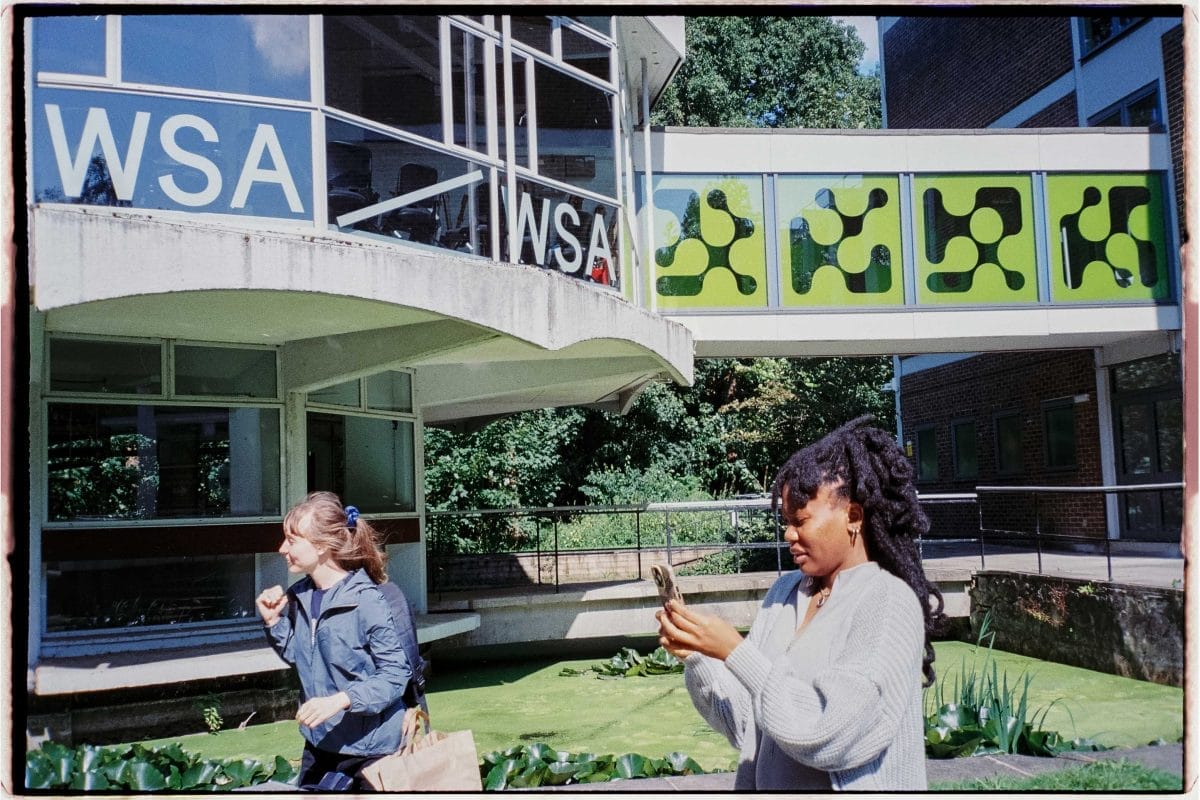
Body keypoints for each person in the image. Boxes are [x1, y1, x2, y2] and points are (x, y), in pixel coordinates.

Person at [657, 416, 947, 791]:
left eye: (801, 520)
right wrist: (698, 655)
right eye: (785, 521)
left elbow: (831, 735)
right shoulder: (784, 594)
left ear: (853, 516)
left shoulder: (888, 603)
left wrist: (736, 650)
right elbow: (747, 725)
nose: (788, 534)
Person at [257, 491, 413, 792]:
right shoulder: (300, 596)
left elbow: (396, 676)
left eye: (291, 540)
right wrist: (274, 622)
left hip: (370, 752)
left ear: (321, 546)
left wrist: (341, 700)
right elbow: (302, 657)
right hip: (320, 745)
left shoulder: (368, 601)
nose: (281, 549)